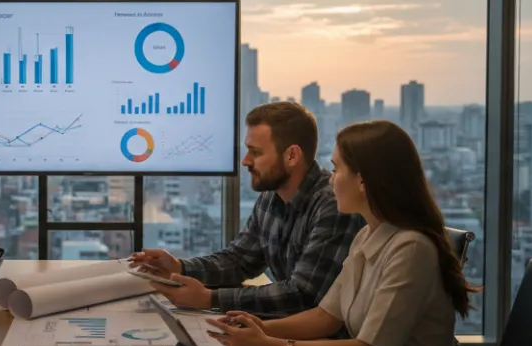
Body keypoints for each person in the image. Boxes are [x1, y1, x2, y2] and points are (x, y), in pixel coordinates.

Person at [205, 120, 482, 346]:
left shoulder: (411, 249)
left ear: (364, 180)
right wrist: (263, 328)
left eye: (337, 169)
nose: (330, 178)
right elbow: (325, 317)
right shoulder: (368, 237)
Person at [132, 102, 361, 316]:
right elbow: (240, 260)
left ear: (291, 155)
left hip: (322, 342)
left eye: (256, 152)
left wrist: (210, 299)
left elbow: (303, 295)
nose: (245, 161)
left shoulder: (332, 205)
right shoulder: (272, 196)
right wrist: (180, 267)